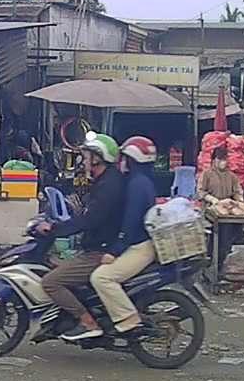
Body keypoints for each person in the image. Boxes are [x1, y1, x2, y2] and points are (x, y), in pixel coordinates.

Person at [36, 133, 124, 341]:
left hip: (99, 251)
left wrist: (54, 228)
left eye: (86, 157)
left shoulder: (108, 187)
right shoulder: (106, 181)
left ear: (97, 158)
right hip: (98, 246)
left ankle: (88, 323)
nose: (83, 161)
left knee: (51, 282)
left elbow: (89, 221)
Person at [91, 136, 160, 337]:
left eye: (124, 158)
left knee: (101, 278)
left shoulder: (136, 185)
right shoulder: (142, 181)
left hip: (140, 247)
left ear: (131, 159)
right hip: (141, 244)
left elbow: (131, 223)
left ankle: (128, 320)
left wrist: (115, 251)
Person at [197, 146, 244, 274]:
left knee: (224, 243)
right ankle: (207, 270)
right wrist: (212, 199)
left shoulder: (231, 176)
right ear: (214, 160)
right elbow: (200, 192)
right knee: (211, 243)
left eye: (225, 159)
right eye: (220, 159)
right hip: (210, 213)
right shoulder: (207, 174)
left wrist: (239, 201)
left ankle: (220, 268)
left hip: (226, 213)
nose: (223, 162)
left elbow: (237, 191)